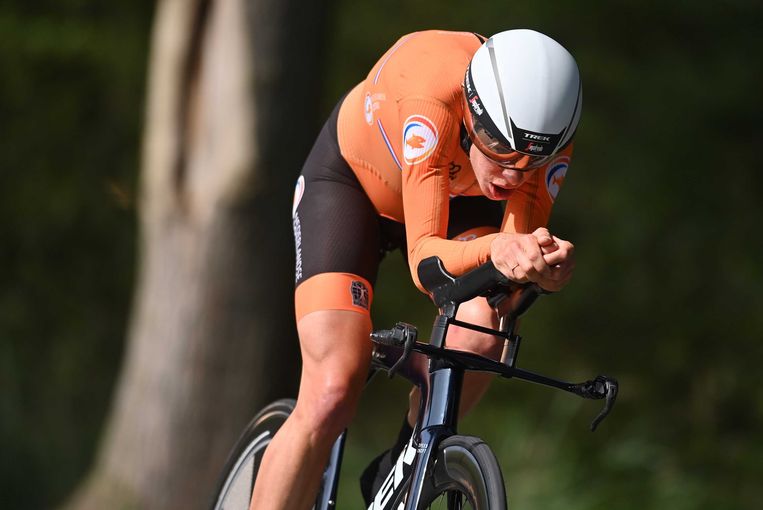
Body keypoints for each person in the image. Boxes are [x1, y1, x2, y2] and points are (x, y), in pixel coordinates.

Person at [249, 28, 580, 509]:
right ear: (471, 108)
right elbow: (426, 259)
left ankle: (403, 464)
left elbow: (513, 258)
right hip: (353, 189)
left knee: (488, 329)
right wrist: (502, 249)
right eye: (500, 149)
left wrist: (539, 269)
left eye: (532, 162)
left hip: (457, 204)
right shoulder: (432, 98)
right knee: (331, 391)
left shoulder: (543, 142)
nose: (512, 174)